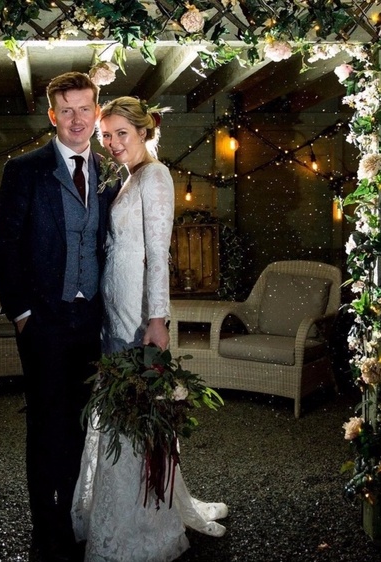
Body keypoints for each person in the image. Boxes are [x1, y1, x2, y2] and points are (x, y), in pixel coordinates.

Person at [71, 96, 229, 562]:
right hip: (115, 312)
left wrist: (157, 320)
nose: (114, 143)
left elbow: (159, 255)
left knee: (133, 417)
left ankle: (140, 521)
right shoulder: (127, 179)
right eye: (107, 135)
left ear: (144, 132)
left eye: (123, 133)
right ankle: (124, 507)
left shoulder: (156, 177)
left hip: (139, 317)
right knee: (123, 413)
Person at [0, 72, 118, 562]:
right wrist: (22, 313)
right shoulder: (25, 170)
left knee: (81, 426)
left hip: (90, 322)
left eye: (85, 109)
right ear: (52, 115)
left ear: (97, 112)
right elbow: (4, 247)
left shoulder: (108, 172)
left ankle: (69, 518)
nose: (77, 120)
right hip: (42, 321)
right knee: (46, 426)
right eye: (67, 110)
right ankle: (46, 529)